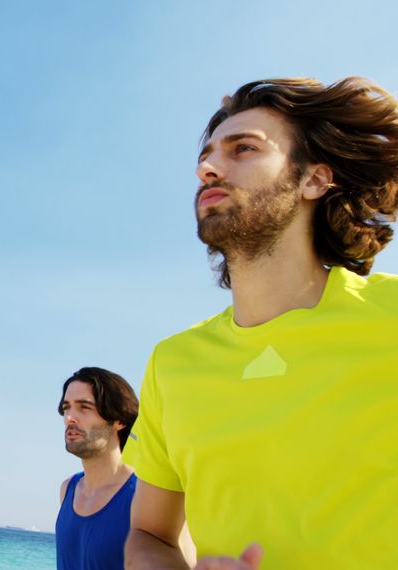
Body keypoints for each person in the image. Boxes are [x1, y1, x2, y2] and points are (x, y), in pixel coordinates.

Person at [125, 77, 398, 569]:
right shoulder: (173, 363)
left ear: (314, 180)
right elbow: (149, 535)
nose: (207, 167)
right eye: (207, 155)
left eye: (243, 149)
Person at [55, 367, 139, 570]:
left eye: (84, 407)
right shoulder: (68, 489)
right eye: (66, 408)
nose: (69, 418)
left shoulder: (146, 493)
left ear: (119, 420)